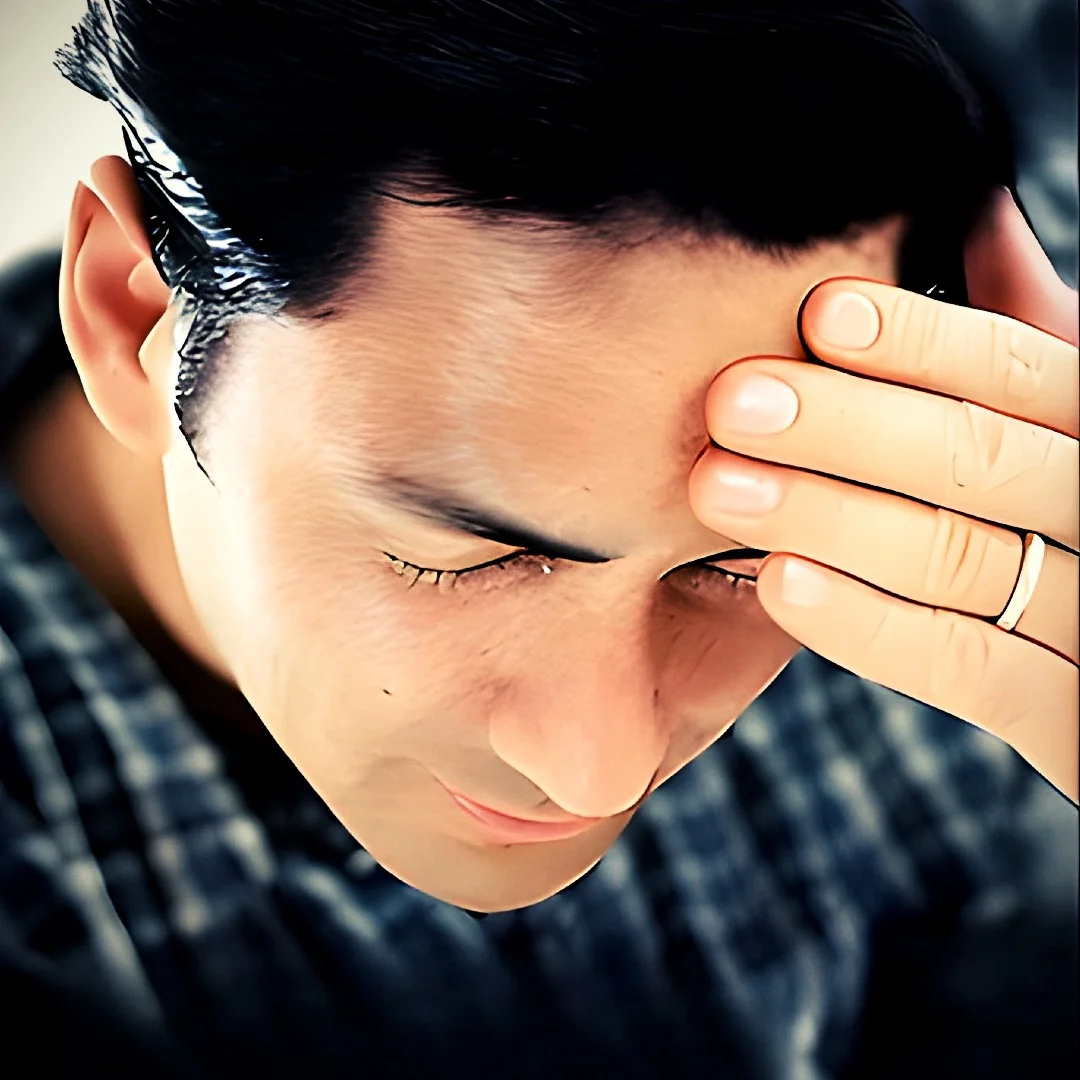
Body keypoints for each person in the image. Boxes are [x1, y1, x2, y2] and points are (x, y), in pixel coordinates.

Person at [0, 1, 1075, 1076]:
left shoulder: (1020, 378)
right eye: (465, 556)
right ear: (134, 316)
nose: (600, 774)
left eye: (736, 564)